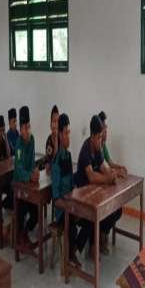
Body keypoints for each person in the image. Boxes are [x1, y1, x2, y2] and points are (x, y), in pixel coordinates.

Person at [75, 115, 122, 257]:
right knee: (93, 216)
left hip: (94, 193)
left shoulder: (97, 148)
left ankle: (100, 237)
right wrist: (107, 179)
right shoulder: (85, 149)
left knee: (117, 208)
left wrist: (112, 174)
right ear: (93, 136)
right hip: (83, 196)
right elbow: (91, 176)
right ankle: (81, 249)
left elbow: (103, 167)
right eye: (99, 137)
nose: (101, 140)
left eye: (102, 137)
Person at [51, 113, 81, 266]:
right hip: (62, 210)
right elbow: (56, 199)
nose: (68, 137)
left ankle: (75, 249)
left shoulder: (68, 156)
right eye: (66, 133)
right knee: (72, 224)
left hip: (70, 203)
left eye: (69, 132)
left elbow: (71, 185)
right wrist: (69, 207)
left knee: (88, 218)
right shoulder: (56, 161)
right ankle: (70, 257)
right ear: (60, 135)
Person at [13, 106, 39, 248]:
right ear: (20, 129)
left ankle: (24, 233)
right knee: (21, 210)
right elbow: (18, 169)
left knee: (36, 214)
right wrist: (30, 176)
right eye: (24, 128)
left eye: (29, 127)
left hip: (29, 185)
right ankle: (19, 237)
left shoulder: (32, 139)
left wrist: (35, 171)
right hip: (19, 185)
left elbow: (32, 161)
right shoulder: (18, 145)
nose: (27, 130)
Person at [0, 115, 12, 236]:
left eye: (2, 128)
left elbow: (9, 155)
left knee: (13, 189)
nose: (0, 130)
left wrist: (5, 137)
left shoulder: (5, 139)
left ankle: (7, 209)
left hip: (5, 176)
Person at [98, 111, 127, 177]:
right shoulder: (96, 147)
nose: (106, 133)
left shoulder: (103, 144)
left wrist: (120, 167)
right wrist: (116, 172)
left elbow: (110, 162)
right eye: (105, 131)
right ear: (100, 132)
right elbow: (102, 169)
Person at [44, 105, 59, 172]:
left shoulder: (61, 139)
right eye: (54, 121)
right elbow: (47, 167)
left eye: (58, 121)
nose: (56, 124)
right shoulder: (49, 141)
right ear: (50, 124)